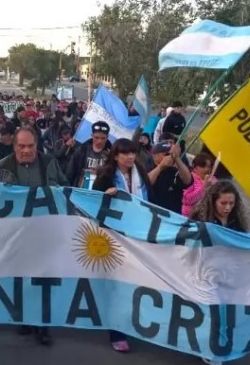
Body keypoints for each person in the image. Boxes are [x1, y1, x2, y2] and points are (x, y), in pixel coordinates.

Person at [0, 127, 67, 345]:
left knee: (44, 279)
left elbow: (65, 187)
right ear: (14, 147)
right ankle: (24, 317)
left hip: (44, 233)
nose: (26, 150)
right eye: (21, 146)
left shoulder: (49, 162)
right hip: (15, 234)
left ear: (37, 145)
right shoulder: (3, 166)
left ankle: (42, 324)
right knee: (20, 277)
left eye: (30, 146)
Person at [91, 138, 151, 353]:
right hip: (113, 237)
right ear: (116, 155)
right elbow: (93, 201)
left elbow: (150, 201)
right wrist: (105, 196)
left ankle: (129, 322)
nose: (130, 157)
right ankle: (116, 331)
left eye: (133, 153)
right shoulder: (106, 175)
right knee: (117, 285)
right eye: (125, 153)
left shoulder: (141, 174)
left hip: (138, 236)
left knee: (134, 284)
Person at [147, 141, 192, 214]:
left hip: (171, 215)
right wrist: (161, 166)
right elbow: (146, 182)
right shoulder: (149, 168)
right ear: (155, 156)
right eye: (165, 154)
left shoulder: (176, 170)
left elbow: (188, 180)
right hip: (152, 212)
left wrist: (177, 158)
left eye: (171, 154)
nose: (169, 157)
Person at [66, 121, 111, 187]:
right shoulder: (81, 150)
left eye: (103, 138)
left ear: (107, 137)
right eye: (96, 137)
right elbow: (71, 170)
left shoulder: (111, 153)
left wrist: (100, 172)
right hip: (81, 187)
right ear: (92, 135)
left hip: (101, 190)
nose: (99, 141)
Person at [181, 153, 217, 217]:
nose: (207, 169)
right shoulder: (189, 178)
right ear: (195, 167)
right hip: (189, 216)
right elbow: (187, 200)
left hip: (206, 216)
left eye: (209, 166)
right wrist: (204, 187)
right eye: (203, 166)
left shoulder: (213, 180)